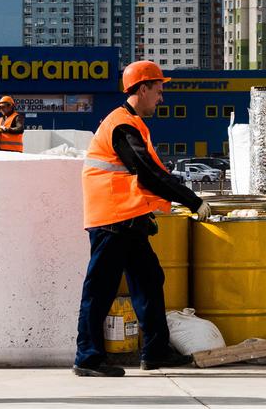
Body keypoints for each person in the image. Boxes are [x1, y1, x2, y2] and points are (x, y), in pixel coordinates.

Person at [74, 60, 212, 377]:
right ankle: (87, 358)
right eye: (158, 91)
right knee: (100, 289)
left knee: (149, 282)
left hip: (128, 220)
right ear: (143, 88)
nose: (161, 98)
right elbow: (147, 174)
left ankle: (155, 351)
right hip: (111, 221)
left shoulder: (132, 125)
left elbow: (144, 177)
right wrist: (193, 200)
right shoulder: (121, 126)